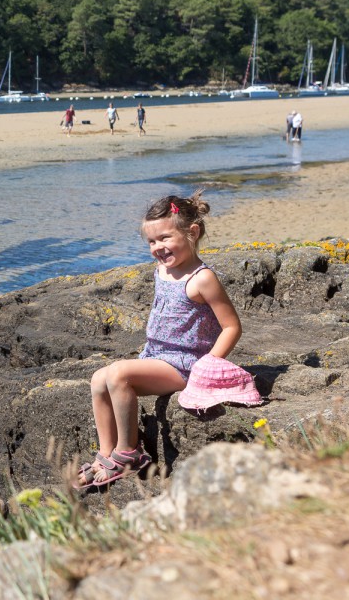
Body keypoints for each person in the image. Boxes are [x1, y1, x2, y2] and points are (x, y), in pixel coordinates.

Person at [76, 192, 242, 488]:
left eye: (165, 238)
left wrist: (209, 366)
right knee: (99, 379)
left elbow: (231, 326)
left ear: (192, 233)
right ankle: (106, 451)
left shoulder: (202, 279)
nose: (158, 248)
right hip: (156, 356)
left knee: (118, 374)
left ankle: (129, 453)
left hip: (185, 365)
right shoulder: (163, 270)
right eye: (152, 242)